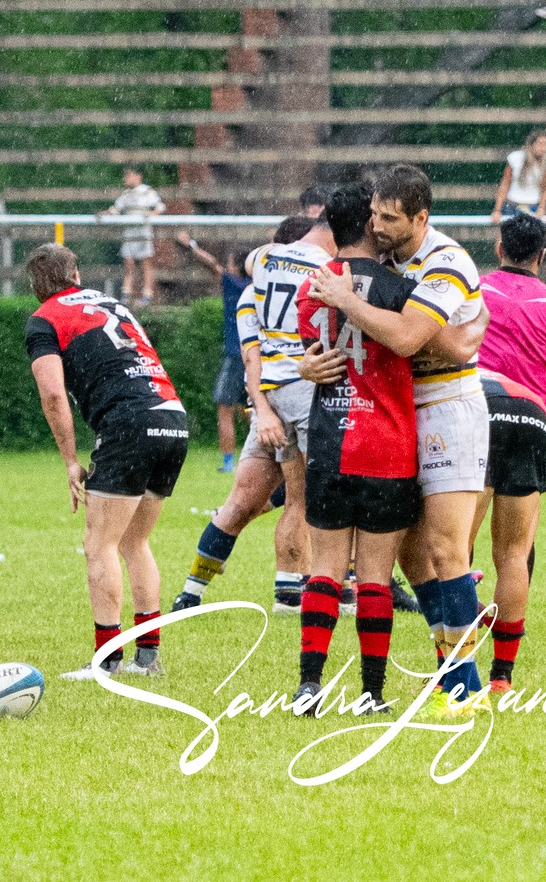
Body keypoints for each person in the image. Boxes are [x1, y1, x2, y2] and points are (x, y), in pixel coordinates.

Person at [301, 164, 491, 709]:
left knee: (446, 548)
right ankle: (449, 665)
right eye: (374, 216)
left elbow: (407, 338)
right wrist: (308, 366)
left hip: (449, 407)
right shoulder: (385, 259)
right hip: (399, 410)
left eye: (390, 218)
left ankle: (463, 687)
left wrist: (346, 300)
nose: (378, 226)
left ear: (420, 218)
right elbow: (427, 340)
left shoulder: (446, 261)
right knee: (408, 555)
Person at [24, 244, 189, 679]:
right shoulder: (111, 301)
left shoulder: (45, 319)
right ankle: (148, 658)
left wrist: (70, 460)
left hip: (128, 423)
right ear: (75, 274)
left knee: (99, 545)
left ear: (35, 286)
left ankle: (108, 660)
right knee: (135, 543)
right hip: (172, 418)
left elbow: (53, 393)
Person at [290, 183, 423, 715]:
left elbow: (316, 355)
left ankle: (309, 684)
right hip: (388, 445)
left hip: (330, 438)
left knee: (324, 568)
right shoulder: (403, 289)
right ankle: (372, 692)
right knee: (373, 576)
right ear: (371, 225)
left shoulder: (312, 287)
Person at [176, 214, 332, 614]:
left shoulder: (256, 287)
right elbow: (253, 357)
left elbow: (252, 358)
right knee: (298, 500)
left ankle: (193, 592)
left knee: (249, 501)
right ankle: (296, 596)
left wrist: (262, 407)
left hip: (270, 399)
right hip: (290, 397)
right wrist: (263, 409)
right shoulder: (303, 280)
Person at [473, 211, 546, 692]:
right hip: (530, 419)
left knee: (453, 546)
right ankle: (502, 676)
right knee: (514, 554)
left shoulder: (475, 288)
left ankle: (454, 665)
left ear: (499, 248)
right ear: (542, 256)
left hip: (476, 410)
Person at [179, 232, 249, 472]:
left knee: (224, 407)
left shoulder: (232, 283)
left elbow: (211, 264)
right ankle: (266, 454)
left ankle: (229, 462)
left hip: (235, 354)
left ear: (237, 267)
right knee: (252, 407)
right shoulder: (255, 286)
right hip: (253, 353)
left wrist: (190, 245)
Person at [106, 167, 166, 307]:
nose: (125, 179)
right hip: (129, 231)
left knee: (146, 262)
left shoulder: (147, 192)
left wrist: (150, 215)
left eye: (128, 175)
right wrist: (104, 214)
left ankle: (147, 295)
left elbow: (160, 207)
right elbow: (115, 209)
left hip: (143, 231)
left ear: (137, 176)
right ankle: (127, 294)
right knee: (129, 262)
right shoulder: (126, 194)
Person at [491, 129, 546, 223]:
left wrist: (541, 208)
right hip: (512, 206)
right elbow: (505, 185)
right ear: (530, 144)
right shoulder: (515, 158)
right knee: (504, 236)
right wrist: (497, 210)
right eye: (540, 144)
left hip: (533, 207)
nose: (544, 148)